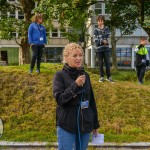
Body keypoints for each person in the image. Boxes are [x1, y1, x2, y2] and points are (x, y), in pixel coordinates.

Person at [53, 43, 100, 150]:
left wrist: (95, 124)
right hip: (67, 124)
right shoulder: (59, 75)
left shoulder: (85, 75)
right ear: (66, 58)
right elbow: (60, 99)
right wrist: (75, 85)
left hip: (85, 123)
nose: (79, 58)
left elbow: (91, 100)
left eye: (80, 55)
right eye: (75, 56)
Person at [93, 15, 114, 82]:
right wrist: (102, 40)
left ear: (103, 21)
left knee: (107, 63)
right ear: (97, 22)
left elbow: (108, 36)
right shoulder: (95, 30)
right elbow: (95, 40)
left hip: (106, 49)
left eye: (101, 21)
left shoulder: (107, 28)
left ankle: (108, 77)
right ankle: (101, 77)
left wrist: (100, 38)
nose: (100, 22)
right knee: (100, 63)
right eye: (99, 21)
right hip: (98, 49)